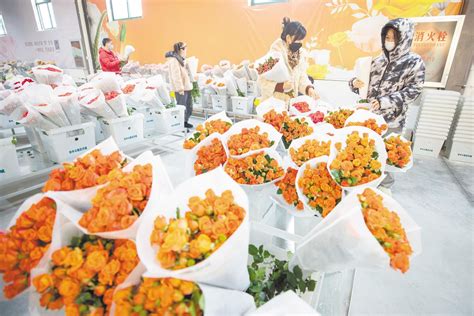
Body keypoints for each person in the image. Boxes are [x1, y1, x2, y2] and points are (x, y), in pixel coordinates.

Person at [349, 18, 425, 190]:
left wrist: (384, 102)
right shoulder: (378, 60)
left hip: (392, 120)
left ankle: (384, 189)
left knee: (386, 156)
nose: (389, 42)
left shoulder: (414, 62)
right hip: (369, 119)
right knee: (366, 153)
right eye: (387, 37)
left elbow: (414, 91)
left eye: (394, 38)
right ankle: (364, 185)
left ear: (404, 38)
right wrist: (354, 83)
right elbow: (364, 83)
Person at [258, 17, 319, 103]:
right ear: (288, 38)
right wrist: (280, 86)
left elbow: (301, 76)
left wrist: (309, 88)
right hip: (273, 105)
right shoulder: (275, 54)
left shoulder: (299, 55)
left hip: (290, 104)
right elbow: (261, 78)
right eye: (298, 40)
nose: (300, 43)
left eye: (302, 40)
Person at [166, 42, 193, 128]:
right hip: (181, 89)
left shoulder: (181, 59)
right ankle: (180, 125)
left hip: (186, 87)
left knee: (188, 106)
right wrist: (180, 88)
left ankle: (185, 122)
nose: (186, 49)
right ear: (181, 49)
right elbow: (176, 76)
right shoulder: (174, 60)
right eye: (185, 47)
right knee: (182, 107)